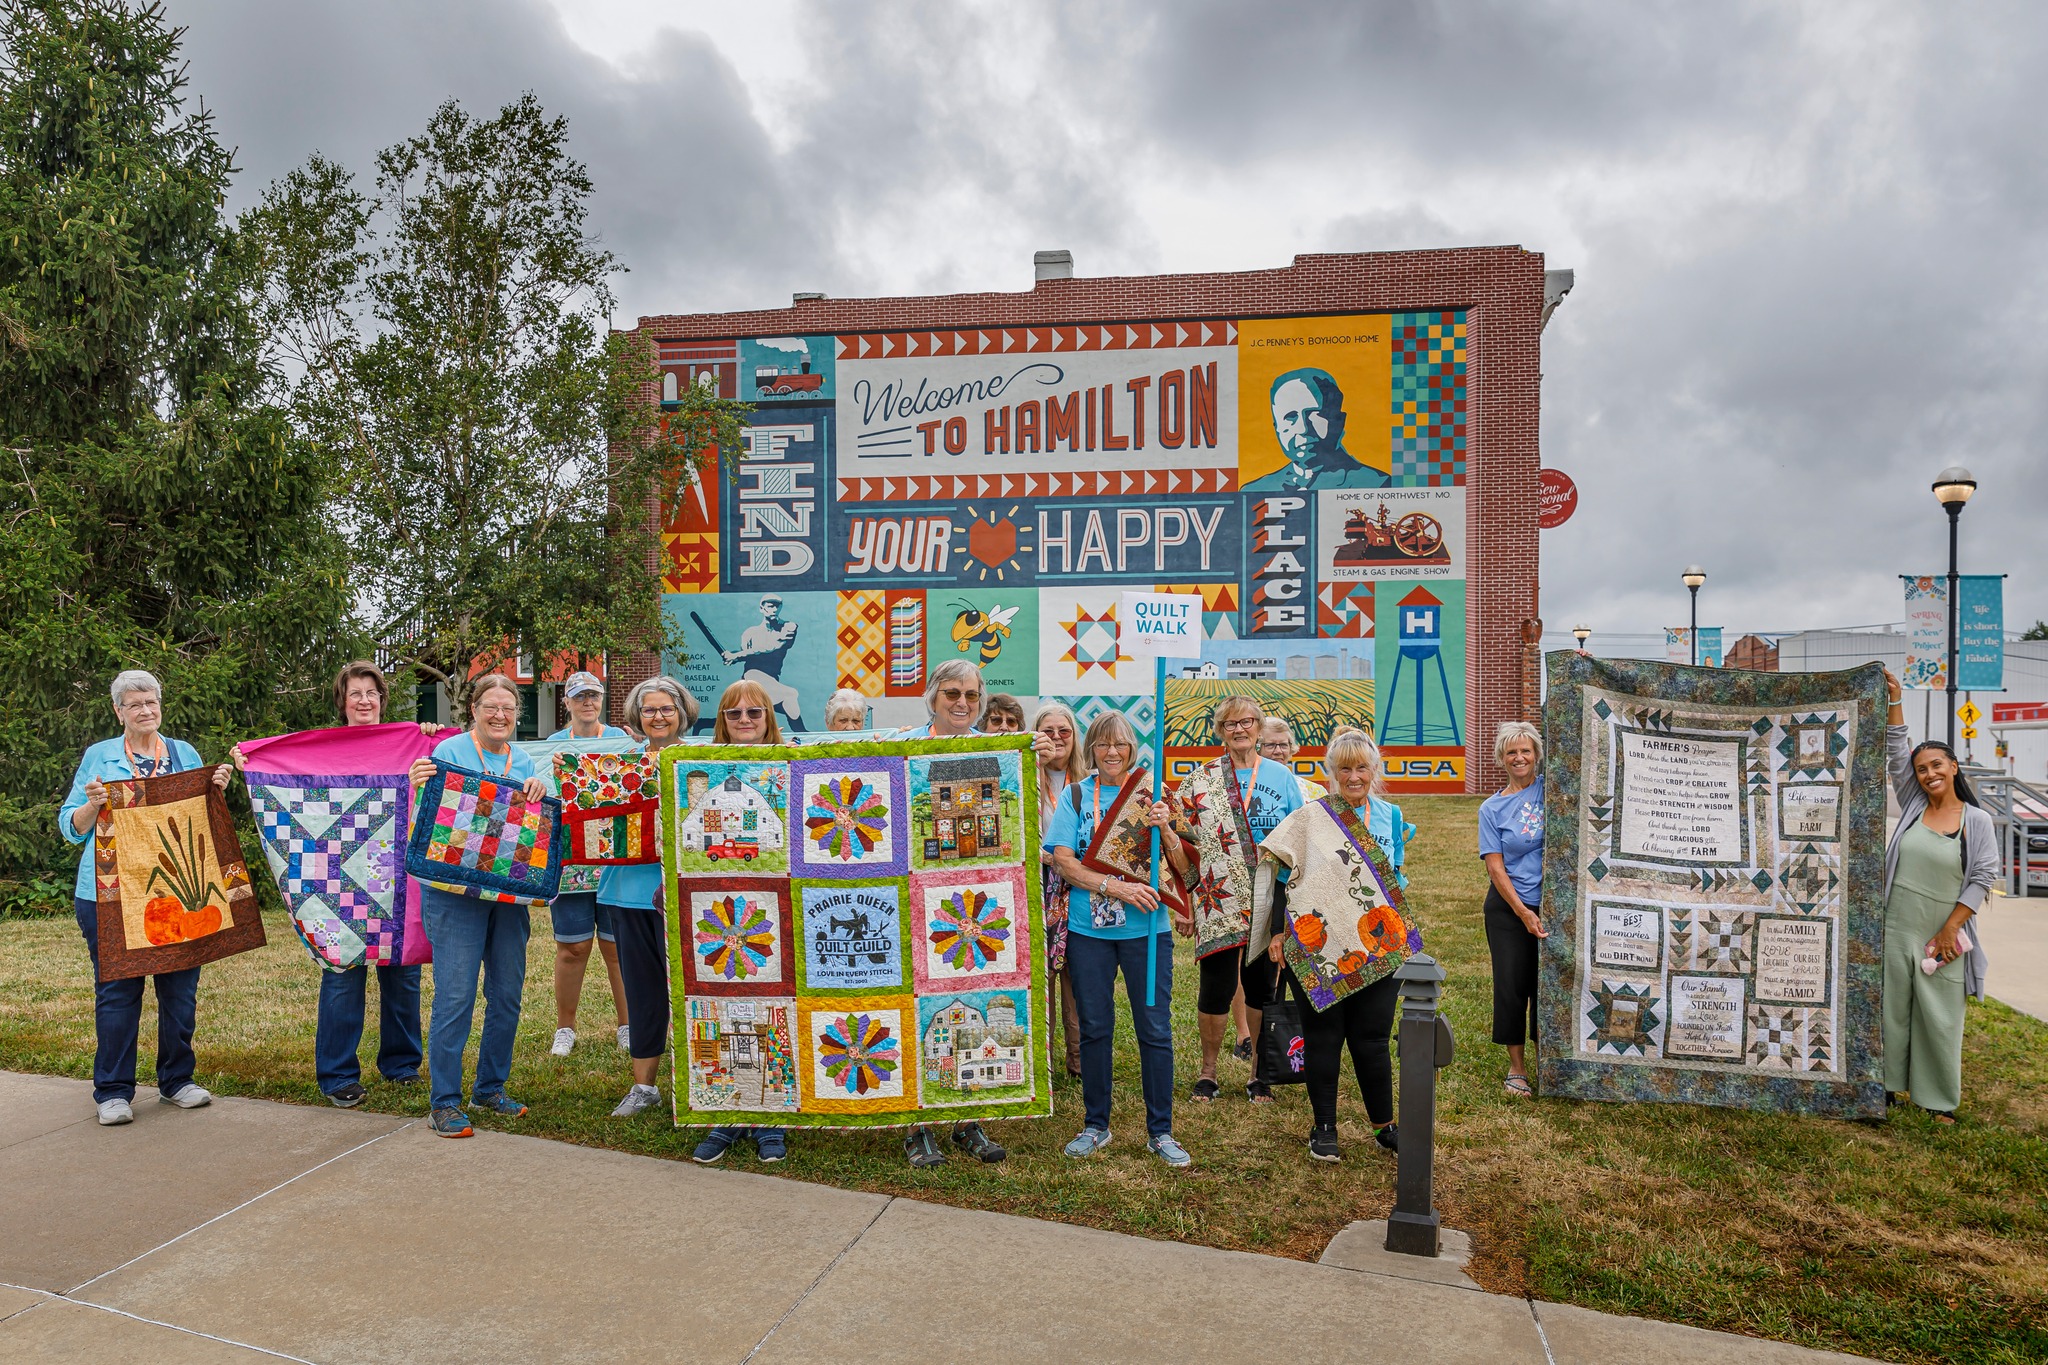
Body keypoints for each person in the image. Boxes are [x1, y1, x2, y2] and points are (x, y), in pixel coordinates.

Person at [229, 661, 439, 1107]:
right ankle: (338, 1073)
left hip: (396, 877)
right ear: (342, 703)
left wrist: (434, 735)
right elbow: (284, 777)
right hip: (337, 882)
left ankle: (401, 1065)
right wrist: (253, 758)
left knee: (402, 970)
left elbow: (463, 753)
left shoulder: (410, 743)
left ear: (383, 700)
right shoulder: (323, 751)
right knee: (342, 971)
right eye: (355, 694)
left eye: (372, 693)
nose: (364, 701)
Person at [59, 670, 232, 1126]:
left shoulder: (182, 753)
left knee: (179, 991)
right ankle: (113, 1092)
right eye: (135, 704)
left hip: (175, 892)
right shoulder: (100, 757)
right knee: (118, 990)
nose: (146, 711)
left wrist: (216, 788)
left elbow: (197, 815)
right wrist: (93, 804)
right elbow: (70, 828)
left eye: (152, 702)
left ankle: (177, 1081)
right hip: (110, 894)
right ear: (118, 711)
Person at [1249, 729, 1415, 1162]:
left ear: (1374, 770)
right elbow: (1284, 879)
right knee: (1324, 1037)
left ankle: (1383, 1125)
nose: (1354, 776)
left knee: (1373, 1039)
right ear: (1332, 771)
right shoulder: (1309, 818)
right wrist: (1280, 934)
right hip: (1316, 943)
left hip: (1378, 944)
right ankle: (1324, 1128)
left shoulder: (1391, 817)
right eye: (1345, 768)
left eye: (1362, 767)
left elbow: (1393, 880)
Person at [407, 673, 552, 1138]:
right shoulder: (448, 753)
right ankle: (444, 1101)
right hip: (454, 895)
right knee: (456, 994)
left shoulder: (524, 759)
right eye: (491, 706)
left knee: (507, 992)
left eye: (508, 708)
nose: (500, 715)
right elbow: (426, 819)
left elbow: (531, 829)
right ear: (474, 710)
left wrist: (539, 791)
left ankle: (490, 1087)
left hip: (507, 895)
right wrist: (417, 786)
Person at [1049, 711, 1194, 1168]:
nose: (1112, 752)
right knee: (1094, 1028)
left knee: (1154, 1029)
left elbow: (1185, 869)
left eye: (1122, 744)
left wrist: (1166, 827)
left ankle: (1161, 1132)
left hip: (1146, 932)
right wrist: (1116, 887)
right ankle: (1096, 1125)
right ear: (1090, 749)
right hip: (1089, 930)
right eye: (1103, 744)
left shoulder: (1155, 795)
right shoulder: (1076, 795)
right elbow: (1063, 862)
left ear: (1134, 748)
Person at [888, 658, 1012, 1166]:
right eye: (952, 694)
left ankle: (968, 1120)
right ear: (932, 698)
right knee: (917, 1002)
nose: (962, 703)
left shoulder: (993, 751)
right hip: (915, 896)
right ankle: (918, 1126)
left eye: (971, 695)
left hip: (975, 898)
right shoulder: (906, 745)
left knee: (973, 997)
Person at [1158, 696, 1301, 1104]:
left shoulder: (1281, 776)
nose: (1240, 730)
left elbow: (1298, 835)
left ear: (1259, 727)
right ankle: (1208, 1072)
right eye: (1230, 724)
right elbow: (1178, 837)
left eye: (1247, 722)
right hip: (1217, 899)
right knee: (1216, 986)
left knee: (1262, 988)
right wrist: (1185, 899)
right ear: (1220, 731)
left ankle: (1259, 1073)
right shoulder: (1200, 779)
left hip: (1269, 895)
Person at [1881, 670, 1997, 1122]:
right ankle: (1887, 1088)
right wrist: (1895, 698)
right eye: (1921, 768)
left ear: (1954, 768)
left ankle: (1937, 1100)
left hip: (1943, 933)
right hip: (1897, 923)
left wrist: (1951, 928)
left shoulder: (1976, 820)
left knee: (1940, 1015)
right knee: (1891, 1008)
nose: (1928, 774)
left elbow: (1983, 876)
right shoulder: (1913, 803)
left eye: (1936, 766)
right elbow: (1895, 753)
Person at [690, 679, 794, 1164]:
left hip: (778, 904)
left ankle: (772, 1115)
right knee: (723, 1005)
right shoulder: (700, 769)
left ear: (769, 717)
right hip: (717, 909)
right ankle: (727, 1112)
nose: (746, 721)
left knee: (776, 1007)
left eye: (756, 713)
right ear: (722, 721)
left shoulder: (792, 763)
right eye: (735, 714)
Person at [602, 677, 702, 1123]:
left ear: (682, 713)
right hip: (629, 892)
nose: (658, 717)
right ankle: (644, 1087)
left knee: (697, 991)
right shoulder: (615, 765)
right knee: (642, 991)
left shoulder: (700, 762)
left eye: (667, 708)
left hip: (687, 892)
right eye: (649, 710)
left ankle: (703, 1081)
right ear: (636, 717)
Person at [544, 670, 632, 1059]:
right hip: (572, 857)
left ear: (602, 699)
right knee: (572, 947)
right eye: (579, 697)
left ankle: (628, 1025)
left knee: (618, 948)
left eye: (593, 695)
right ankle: (565, 1027)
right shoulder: (551, 746)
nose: (587, 703)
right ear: (567, 702)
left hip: (616, 858)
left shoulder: (623, 742)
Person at [1478, 721, 1547, 1099]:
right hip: (1509, 909)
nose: (1519, 758)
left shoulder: (1554, 790)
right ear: (1501, 759)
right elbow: (1494, 866)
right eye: (1511, 752)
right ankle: (1517, 1068)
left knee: (1548, 986)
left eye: (1525, 750)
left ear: (1537, 754)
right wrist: (1523, 912)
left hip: (1555, 908)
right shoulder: (1492, 808)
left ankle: (1548, 1063)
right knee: (1512, 985)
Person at [1032, 702, 1087, 1077]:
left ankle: (1079, 1061)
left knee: (1077, 976)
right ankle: (1042, 1063)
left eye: (1063, 732)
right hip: (1037, 883)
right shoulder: (1023, 776)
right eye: (1047, 731)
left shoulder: (1087, 782)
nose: (1055, 739)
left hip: (1076, 887)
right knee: (1041, 976)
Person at [1239, 368, 1389, 492]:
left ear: (1339, 421)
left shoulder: (1378, 485)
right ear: (1277, 427)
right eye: (1290, 417)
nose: (1303, 428)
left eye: (1315, 415)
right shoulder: (1253, 491)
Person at [721, 593, 804, 730]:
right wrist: (731, 657)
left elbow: (773, 646)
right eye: (770, 606)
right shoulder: (749, 633)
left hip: (772, 681)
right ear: (761, 608)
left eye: (777, 606)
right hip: (752, 678)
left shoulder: (789, 627)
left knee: (790, 703)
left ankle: (802, 737)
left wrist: (736, 655)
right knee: (790, 694)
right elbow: (749, 656)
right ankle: (802, 733)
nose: (774, 609)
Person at [1258, 717, 1326, 801]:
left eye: (1283, 745)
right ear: (1257, 748)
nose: (1278, 751)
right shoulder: (1244, 788)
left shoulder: (1316, 792)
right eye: (1270, 745)